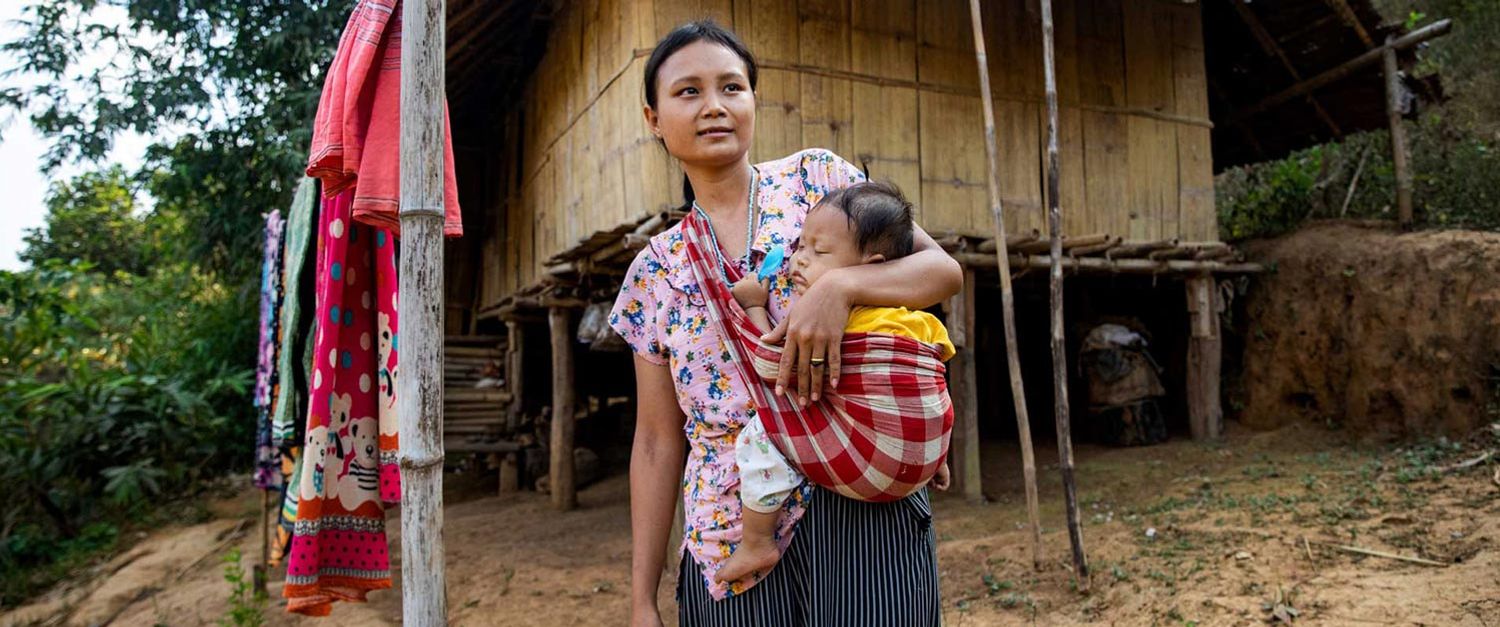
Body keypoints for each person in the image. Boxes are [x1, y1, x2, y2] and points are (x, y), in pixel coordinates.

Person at [609, 20, 963, 627]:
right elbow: (656, 440)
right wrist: (642, 598)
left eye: (732, 87)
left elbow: (941, 270)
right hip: (730, 525)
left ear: (753, 100)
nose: (714, 106)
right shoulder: (655, 271)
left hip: (855, 492)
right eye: (688, 92)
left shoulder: (818, 182)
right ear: (653, 119)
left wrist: (843, 285)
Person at [718, 181, 956, 583]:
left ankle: (757, 540)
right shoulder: (913, 319)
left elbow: (771, 366)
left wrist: (756, 306)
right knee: (929, 385)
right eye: (800, 247)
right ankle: (933, 455)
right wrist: (931, 447)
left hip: (868, 464)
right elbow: (926, 378)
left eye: (820, 252)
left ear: (873, 265)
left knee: (761, 434)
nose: (799, 261)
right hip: (921, 459)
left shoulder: (827, 323)